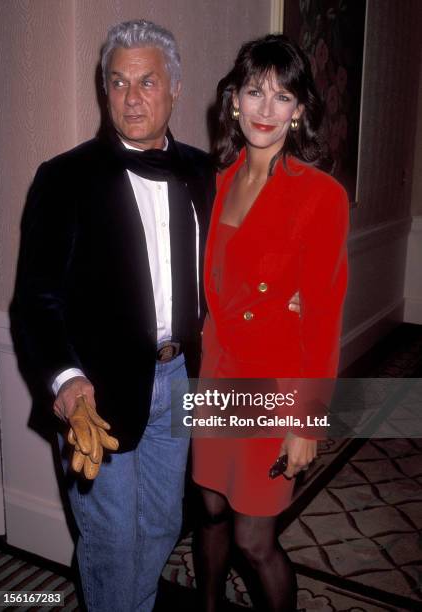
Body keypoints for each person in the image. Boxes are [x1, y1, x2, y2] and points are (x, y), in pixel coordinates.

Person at [10, 19, 216, 612]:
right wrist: (66, 380)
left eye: (147, 82)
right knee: (110, 538)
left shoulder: (205, 172)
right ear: (105, 90)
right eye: (118, 83)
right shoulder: (64, 179)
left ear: (175, 88)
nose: (132, 98)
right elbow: (36, 300)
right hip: (95, 395)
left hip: (179, 382)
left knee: (160, 525)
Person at [192, 34, 349, 611]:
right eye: (254, 92)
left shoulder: (321, 197)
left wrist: (306, 423)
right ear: (233, 100)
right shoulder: (211, 183)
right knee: (208, 509)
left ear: (300, 110)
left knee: (254, 539)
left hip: (274, 385)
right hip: (216, 373)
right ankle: (206, 604)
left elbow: (324, 319)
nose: (265, 109)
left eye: (282, 97)